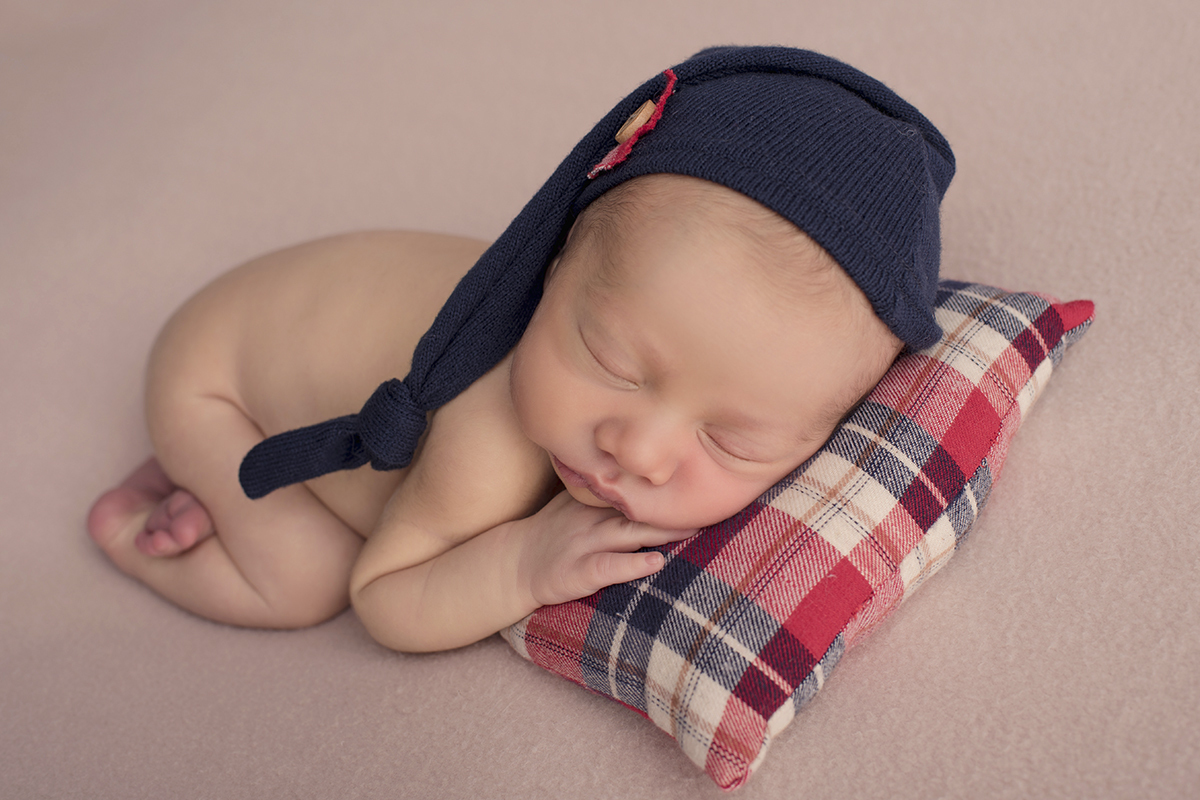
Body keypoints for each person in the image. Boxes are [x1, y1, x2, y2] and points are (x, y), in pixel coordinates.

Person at [86, 46, 955, 653]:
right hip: (216, 369)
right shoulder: (491, 442)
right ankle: (134, 518)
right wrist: (520, 565)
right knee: (309, 576)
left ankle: (211, 473)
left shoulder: (651, 353)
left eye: (730, 440)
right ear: (546, 269)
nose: (638, 451)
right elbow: (385, 601)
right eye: (613, 363)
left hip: (311, 310)